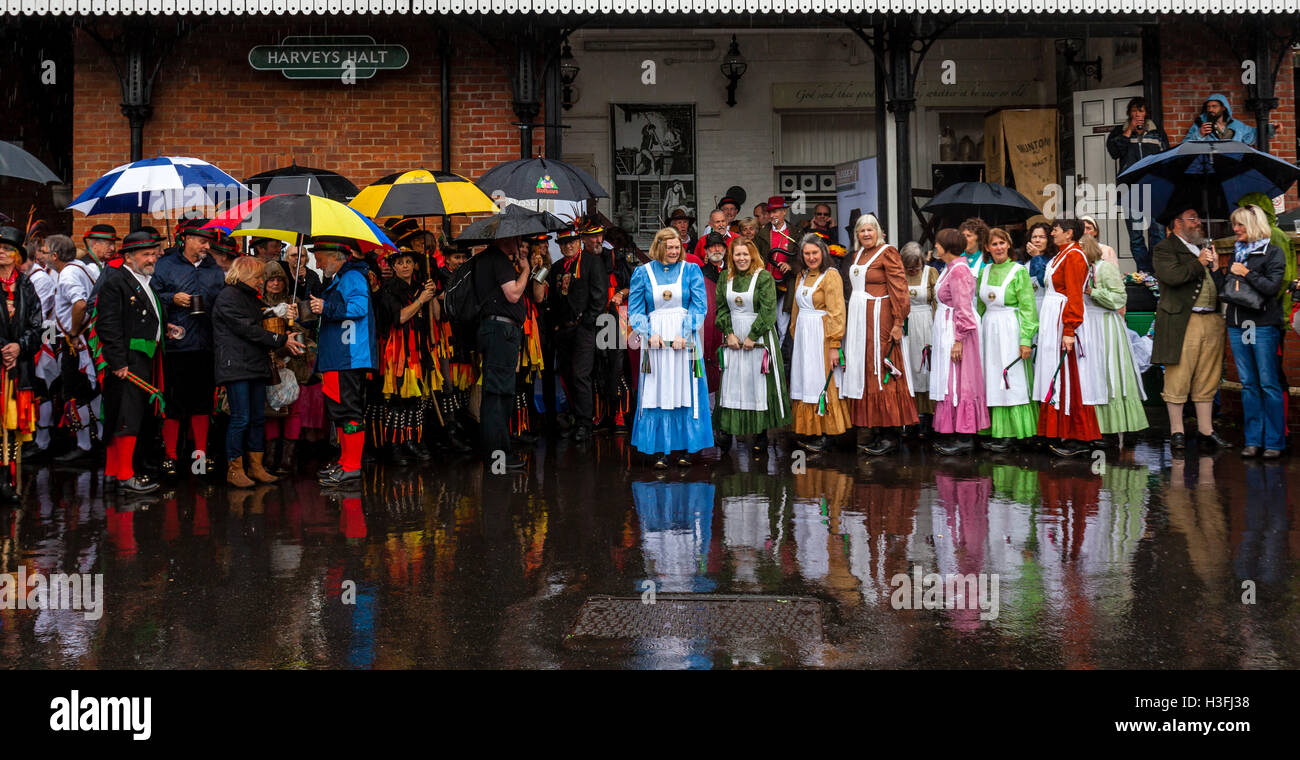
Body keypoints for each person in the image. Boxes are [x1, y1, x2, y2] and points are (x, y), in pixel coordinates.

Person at [213, 256, 304, 488]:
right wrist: (282, 339)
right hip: (237, 366)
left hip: (254, 364)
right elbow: (249, 329)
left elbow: (258, 318)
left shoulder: (249, 297)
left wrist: (279, 312)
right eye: (257, 277)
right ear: (243, 276)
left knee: (257, 417)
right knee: (240, 417)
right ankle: (235, 469)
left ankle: (256, 466)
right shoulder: (228, 297)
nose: (260, 281)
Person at [627, 228, 713, 468]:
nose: (674, 252)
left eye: (677, 247)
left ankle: (686, 448)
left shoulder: (691, 270)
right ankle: (659, 451)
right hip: (654, 338)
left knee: (685, 389)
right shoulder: (642, 273)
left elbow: (699, 305)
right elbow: (635, 309)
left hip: (683, 340)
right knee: (657, 390)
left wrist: (684, 333)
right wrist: (648, 333)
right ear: (659, 247)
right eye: (669, 247)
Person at [91, 230, 166, 494]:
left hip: (144, 356)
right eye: (145, 254)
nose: (151, 258)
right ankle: (125, 475)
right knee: (126, 416)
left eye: (152, 253)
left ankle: (113, 472)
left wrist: (167, 329)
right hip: (127, 359)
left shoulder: (143, 279)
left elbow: (148, 317)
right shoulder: (116, 282)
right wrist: (118, 361)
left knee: (124, 414)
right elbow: (107, 325)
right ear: (129, 256)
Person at [1151, 207, 1231, 450]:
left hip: (1211, 319)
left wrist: (1216, 269)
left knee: (1208, 376)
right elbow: (1173, 277)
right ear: (1177, 222)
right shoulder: (1164, 249)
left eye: (1198, 218)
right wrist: (1199, 262)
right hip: (1184, 320)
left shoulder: (1205, 249)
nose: (1198, 223)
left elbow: (1220, 287)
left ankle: (1206, 430)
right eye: (1192, 219)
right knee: (1179, 375)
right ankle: (1177, 431)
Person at [838, 214, 916, 455]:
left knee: (883, 366)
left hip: (881, 317)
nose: (866, 234)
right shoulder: (858, 254)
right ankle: (875, 428)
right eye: (862, 231)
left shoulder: (888, 252)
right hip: (861, 320)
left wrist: (898, 321)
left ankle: (890, 435)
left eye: (871, 230)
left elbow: (899, 288)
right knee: (866, 368)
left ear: (879, 231)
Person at [150, 220, 224, 478]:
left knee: (203, 402)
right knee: (175, 402)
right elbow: (151, 297)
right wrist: (173, 299)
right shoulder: (165, 265)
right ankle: (170, 456)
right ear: (186, 239)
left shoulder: (214, 269)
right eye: (202, 241)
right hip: (176, 345)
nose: (206, 246)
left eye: (208, 242)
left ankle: (200, 456)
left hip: (205, 343)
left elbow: (221, 301)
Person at [310, 240, 378, 486]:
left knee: (348, 412)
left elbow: (359, 307)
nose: (317, 264)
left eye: (320, 259)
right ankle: (345, 460)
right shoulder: (340, 277)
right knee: (339, 412)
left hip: (347, 357)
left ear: (335, 257)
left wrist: (325, 306)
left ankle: (352, 466)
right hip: (337, 357)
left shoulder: (352, 276)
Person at [714, 236, 790, 450]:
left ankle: (760, 433)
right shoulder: (724, 277)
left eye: (745, 254)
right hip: (733, 337)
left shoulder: (763, 277)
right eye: (737, 254)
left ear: (752, 255)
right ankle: (727, 430)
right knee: (732, 383)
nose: (741, 258)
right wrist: (728, 332)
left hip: (759, 337)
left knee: (757, 384)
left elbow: (768, 310)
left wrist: (753, 336)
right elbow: (721, 308)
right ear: (732, 256)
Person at [1034, 218, 1102, 457]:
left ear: (1069, 233)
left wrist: (1070, 329)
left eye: (1056, 230)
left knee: (1070, 377)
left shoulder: (1074, 256)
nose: (1052, 233)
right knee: (1056, 374)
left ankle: (1078, 435)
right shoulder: (1061, 255)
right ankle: (1057, 430)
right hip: (1053, 319)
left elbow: (1074, 294)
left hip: (1064, 320)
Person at [1223, 205, 1287, 457]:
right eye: (1234, 224)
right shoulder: (1236, 254)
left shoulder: (1273, 253)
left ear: (1253, 225)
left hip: (1261, 325)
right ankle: (1253, 440)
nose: (1235, 229)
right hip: (1237, 325)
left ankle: (1273, 442)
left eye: (1240, 225)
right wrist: (1216, 269)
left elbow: (1272, 288)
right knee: (1248, 384)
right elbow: (1228, 290)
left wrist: (1246, 273)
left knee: (1268, 382)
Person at [472, 230, 532, 470]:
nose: (519, 244)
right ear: (505, 239)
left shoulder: (485, 260)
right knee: (498, 396)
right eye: (517, 239)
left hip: (493, 331)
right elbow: (514, 294)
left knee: (495, 394)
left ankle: (494, 454)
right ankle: (498, 457)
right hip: (501, 332)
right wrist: (525, 269)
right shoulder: (497, 259)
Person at [374, 248, 440, 465]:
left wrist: (432, 295)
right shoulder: (388, 290)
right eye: (400, 262)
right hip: (399, 353)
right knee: (398, 401)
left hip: (420, 351)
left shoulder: (422, 287)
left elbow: (437, 316)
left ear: (414, 265)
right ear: (393, 267)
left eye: (408, 261)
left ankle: (413, 440)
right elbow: (399, 318)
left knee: (417, 402)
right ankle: (395, 445)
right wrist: (421, 300)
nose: (404, 266)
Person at [1080, 234, 1149, 440]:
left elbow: (1119, 298)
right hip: (1086, 327)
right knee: (1092, 376)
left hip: (1106, 325)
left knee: (1109, 372)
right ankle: (1096, 427)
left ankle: (1117, 427)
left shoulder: (1104, 268)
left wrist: (1094, 292)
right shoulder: (1078, 270)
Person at [976, 228, 1038, 452]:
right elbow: (980, 307)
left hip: (1010, 328)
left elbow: (1028, 308)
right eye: (994, 244)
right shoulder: (985, 271)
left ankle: (1013, 432)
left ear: (1009, 245)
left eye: (1002, 243)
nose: (999, 248)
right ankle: (995, 429)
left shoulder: (1018, 271)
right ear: (987, 248)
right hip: (989, 329)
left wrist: (1025, 338)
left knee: (1012, 376)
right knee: (991, 377)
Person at [928, 228, 988, 455]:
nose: (935, 247)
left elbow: (963, 307)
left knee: (959, 379)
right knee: (949, 378)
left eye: (938, 243)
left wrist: (959, 340)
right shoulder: (949, 268)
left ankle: (965, 435)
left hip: (957, 329)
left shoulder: (959, 270)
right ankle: (953, 429)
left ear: (947, 245)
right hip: (946, 326)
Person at [545, 226, 607, 443]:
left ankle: (584, 423)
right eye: (563, 243)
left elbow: (599, 295)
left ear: (579, 242)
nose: (568, 246)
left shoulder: (591, 263)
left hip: (583, 329)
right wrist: (555, 325)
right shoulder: (556, 268)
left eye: (572, 241)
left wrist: (588, 322)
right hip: (563, 330)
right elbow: (552, 299)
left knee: (581, 375)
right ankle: (574, 415)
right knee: (567, 375)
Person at [788, 233, 849, 452]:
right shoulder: (802, 275)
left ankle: (825, 432)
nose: (811, 257)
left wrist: (835, 344)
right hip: (805, 336)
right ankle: (809, 429)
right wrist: (795, 332)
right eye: (807, 253)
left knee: (821, 379)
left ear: (822, 253)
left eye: (815, 253)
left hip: (821, 335)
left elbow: (837, 311)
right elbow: (796, 308)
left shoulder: (831, 276)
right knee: (805, 380)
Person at [48, 234, 103, 461]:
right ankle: (99, 440)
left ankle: (84, 446)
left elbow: (80, 303)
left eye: (44, 250)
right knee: (92, 390)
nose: (41, 254)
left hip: (75, 340)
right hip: (88, 338)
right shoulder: (82, 267)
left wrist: (73, 332)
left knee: (74, 392)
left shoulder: (68, 273)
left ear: (54, 255)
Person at [260, 261, 319, 474]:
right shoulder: (257, 303)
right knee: (271, 411)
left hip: (293, 364)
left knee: (293, 411)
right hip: (269, 363)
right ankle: (270, 457)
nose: (275, 284)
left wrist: (296, 318)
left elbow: (309, 332)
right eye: (271, 280)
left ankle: (287, 459)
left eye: (279, 280)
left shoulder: (295, 301)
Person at [0, 227, 42, 502]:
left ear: (16, 255)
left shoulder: (26, 285)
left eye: (6, 248)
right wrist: (3, 348)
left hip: (18, 368)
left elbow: (37, 327)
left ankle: (8, 480)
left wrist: (20, 346)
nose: (1, 252)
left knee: (13, 426)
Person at [1105, 97, 1169, 272]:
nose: (1138, 114)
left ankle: (1155, 271)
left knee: (1158, 233)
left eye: (1141, 111)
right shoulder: (1120, 132)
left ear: (1146, 113)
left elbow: (1166, 158)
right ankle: (1144, 270)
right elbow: (1114, 152)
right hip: (1130, 191)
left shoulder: (1157, 132)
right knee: (1136, 236)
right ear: (1129, 113)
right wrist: (1128, 131)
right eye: (1134, 111)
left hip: (1155, 189)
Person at [586, 223, 634, 432]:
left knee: (617, 365)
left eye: (599, 236)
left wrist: (620, 294)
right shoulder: (582, 261)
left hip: (613, 317)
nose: (597, 241)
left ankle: (620, 414)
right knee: (599, 366)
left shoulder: (615, 257)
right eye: (592, 237)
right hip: (592, 318)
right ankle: (602, 414)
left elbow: (632, 284)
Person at [900, 242, 938, 430]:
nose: (913, 270)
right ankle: (912, 416)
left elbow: (937, 302)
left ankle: (930, 417)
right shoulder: (899, 275)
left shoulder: (931, 273)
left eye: (916, 266)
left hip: (927, 324)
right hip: (907, 326)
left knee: (927, 367)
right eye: (909, 268)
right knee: (910, 367)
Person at [27, 234, 59, 457]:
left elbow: (37, 312)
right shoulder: (36, 276)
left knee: (43, 382)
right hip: (43, 331)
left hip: (48, 333)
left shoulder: (39, 279)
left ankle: (44, 439)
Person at [756, 196, 799, 339]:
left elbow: (802, 258)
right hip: (766, 286)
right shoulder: (761, 234)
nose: (773, 215)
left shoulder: (795, 233)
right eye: (770, 212)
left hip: (786, 286)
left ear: (785, 211)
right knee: (766, 322)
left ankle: (779, 357)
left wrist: (791, 265)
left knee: (782, 326)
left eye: (777, 211)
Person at [1185, 93, 1257, 145]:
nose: (1210, 109)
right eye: (1208, 107)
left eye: (1214, 106)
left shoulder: (1237, 125)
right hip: (1209, 163)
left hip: (1232, 163)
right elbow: (1184, 146)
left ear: (1223, 108)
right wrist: (1199, 134)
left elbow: (1255, 136)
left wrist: (1267, 127)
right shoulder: (1200, 124)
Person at [958, 217, 991, 285]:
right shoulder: (955, 257)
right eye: (963, 235)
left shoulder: (986, 259)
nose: (964, 239)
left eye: (968, 236)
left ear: (979, 238)